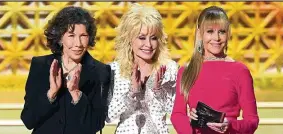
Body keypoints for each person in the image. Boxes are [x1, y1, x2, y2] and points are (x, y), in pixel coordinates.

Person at [20, 6, 111, 134]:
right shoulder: (40, 65)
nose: (78, 43)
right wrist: (51, 94)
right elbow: (28, 120)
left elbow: (96, 125)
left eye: (83, 35)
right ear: (60, 38)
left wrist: (76, 95)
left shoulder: (101, 71)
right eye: (71, 35)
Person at [171, 6, 259, 134]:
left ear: (228, 34)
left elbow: (252, 120)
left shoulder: (240, 71)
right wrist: (189, 125)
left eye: (222, 32)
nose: (216, 38)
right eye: (210, 31)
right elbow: (177, 114)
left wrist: (230, 125)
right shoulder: (186, 71)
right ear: (200, 33)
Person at [106, 4, 179, 134]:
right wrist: (131, 93)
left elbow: (175, 111)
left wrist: (159, 91)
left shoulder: (169, 69)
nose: (149, 45)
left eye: (154, 38)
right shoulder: (115, 70)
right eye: (142, 38)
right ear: (129, 38)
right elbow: (108, 116)